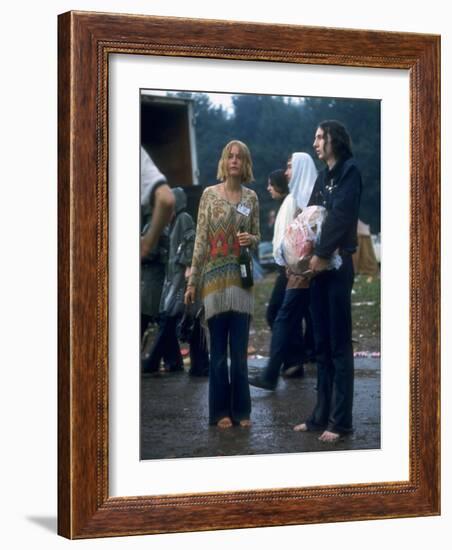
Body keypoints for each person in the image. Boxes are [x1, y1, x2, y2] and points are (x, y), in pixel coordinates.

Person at [293, 120, 362, 442]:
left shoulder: (350, 173)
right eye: (315, 136)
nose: (316, 142)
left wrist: (321, 254)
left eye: (321, 137)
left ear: (335, 139)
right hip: (318, 269)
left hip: (337, 266)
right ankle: (321, 415)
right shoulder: (323, 177)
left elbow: (340, 217)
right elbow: (311, 217)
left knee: (338, 345)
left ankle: (341, 421)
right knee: (320, 344)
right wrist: (298, 254)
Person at [184, 140, 260, 429]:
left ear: (246, 163)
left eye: (240, 157)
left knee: (239, 354)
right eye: (230, 156)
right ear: (223, 162)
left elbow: (257, 237)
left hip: (242, 284)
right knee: (218, 355)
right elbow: (201, 240)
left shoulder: (251, 197)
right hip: (214, 284)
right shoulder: (209, 195)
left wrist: (250, 240)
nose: (234, 161)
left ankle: (241, 411)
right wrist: (192, 283)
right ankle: (219, 413)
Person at [249, 152, 317, 389]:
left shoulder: (303, 198)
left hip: (298, 270)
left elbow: (301, 237)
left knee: (281, 316)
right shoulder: (296, 198)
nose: (286, 172)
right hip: (294, 268)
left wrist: (291, 264)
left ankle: (275, 372)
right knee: (287, 316)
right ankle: (292, 362)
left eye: (290, 167)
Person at [142, 187, 195, 374]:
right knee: (167, 322)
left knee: (167, 321)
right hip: (172, 278)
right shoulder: (174, 222)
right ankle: (171, 362)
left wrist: (183, 274)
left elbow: (188, 247)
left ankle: (153, 362)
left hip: (179, 278)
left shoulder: (183, 219)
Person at [140, 147, 175, 340]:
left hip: (155, 281)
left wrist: (146, 245)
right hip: (156, 282)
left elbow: (154, 251)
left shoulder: (166, 227)